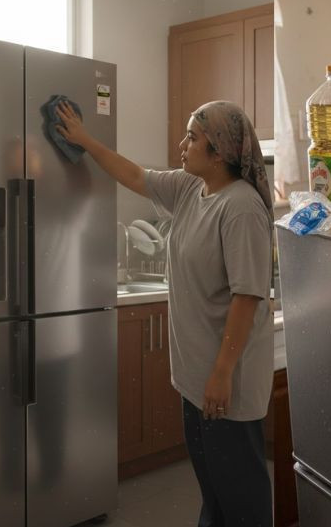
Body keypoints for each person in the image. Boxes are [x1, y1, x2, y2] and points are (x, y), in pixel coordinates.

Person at [56, 100, 274, 527]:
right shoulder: (191, 188)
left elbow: (246, 298)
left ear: (219, 151)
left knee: (241, 497)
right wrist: (83, 139)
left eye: (193, 138)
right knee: (214, 491)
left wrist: (222, 374)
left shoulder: (241, 208)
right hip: (196, 379)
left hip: (228, 382)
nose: (182, 145)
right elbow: (134, 175)